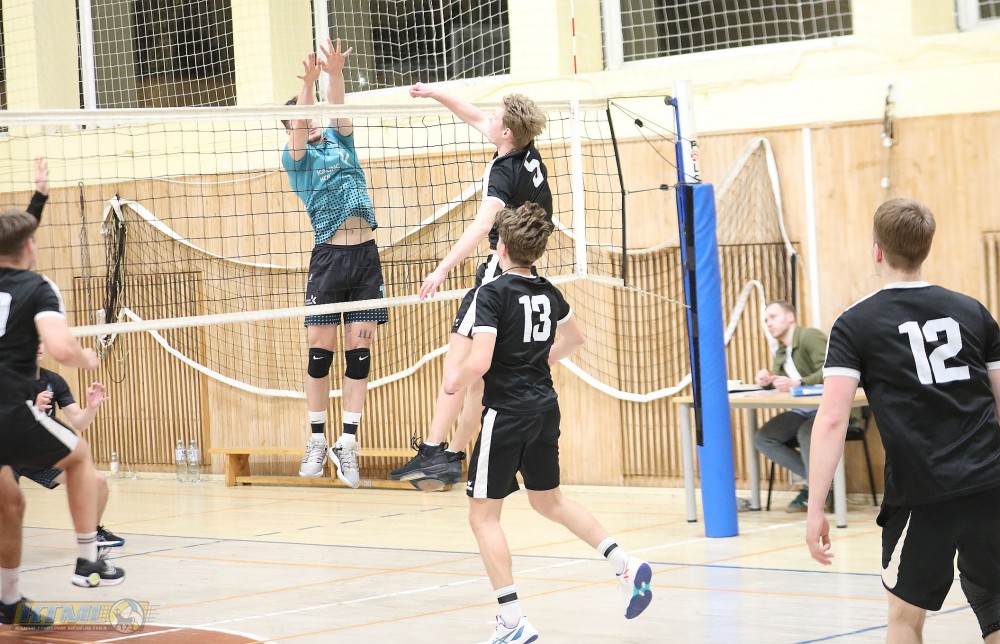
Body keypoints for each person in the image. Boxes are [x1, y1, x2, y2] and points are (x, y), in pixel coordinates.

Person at [443, 203, 653, 642]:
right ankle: (625, 564)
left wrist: (453, 381)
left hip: (507, 413)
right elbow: (575, 338)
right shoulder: (548, 292)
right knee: (548, 501)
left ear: (500, 247)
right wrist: (543, 358)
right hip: (544, 408)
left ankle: (512, 621)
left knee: (483, 517)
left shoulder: (492, 294)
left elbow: (479, 362)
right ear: (536, 251)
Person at [806, 198, 1000, 643]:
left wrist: (816, 507)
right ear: (926, 248)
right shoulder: (973, 311)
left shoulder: (854, 323)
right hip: (989, 484)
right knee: (995, 609)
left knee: (905, 620)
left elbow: (832, 419)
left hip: (921, 493)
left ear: (877, 250)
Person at [391, 85, 552, 488]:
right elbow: (475, 116)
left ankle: (432, 450)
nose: (489, 118)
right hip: (523, 272)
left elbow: (482, 225)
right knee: (480, 382)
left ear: (507, 132)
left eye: (496, 117)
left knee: (458, 367)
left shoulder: (503, 171)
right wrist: (435, 93)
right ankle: (454, 455)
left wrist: (442, 269)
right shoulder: (526, 151)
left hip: (497, 274)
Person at [0, 208, 125, 627]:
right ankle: (88, 560)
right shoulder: (38, 287)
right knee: (79, 456)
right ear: (30, 248)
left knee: (10, 503)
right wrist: (85, 357)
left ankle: (8, 599)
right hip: (7, 406)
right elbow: (60, 348)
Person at [281, 38, 388, 488]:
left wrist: (334, 74)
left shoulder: (341, 141)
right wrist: (307, 86)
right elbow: (300, 123)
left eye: (312, 116)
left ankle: (347, 443)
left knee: (359, 354)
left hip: (365, 257)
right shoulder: (296, 159)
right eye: (302, 119)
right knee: (319, 354)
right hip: (329, 258)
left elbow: (339, 107)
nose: (310, 122)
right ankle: (316, 439)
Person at [9, 343, 124, 549]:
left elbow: (80, 422)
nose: (37, 344)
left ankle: (93, 533)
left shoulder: (53, 380)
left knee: (98, 481)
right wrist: (31, 409)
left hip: (42, 458)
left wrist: (91, 407)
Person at [753, 300, 828, 511]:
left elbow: (831, 369)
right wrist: (768, 381)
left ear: (790, 316)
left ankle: (818, 491)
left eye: (773, 317)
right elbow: (783, 382)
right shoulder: (781, 351)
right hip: (803, 409)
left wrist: (799, 383)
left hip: (830, 407)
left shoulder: (810, 336)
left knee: (807, 432)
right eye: (765, 320)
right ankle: (820, 484)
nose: (768, 323)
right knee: (763, 437)